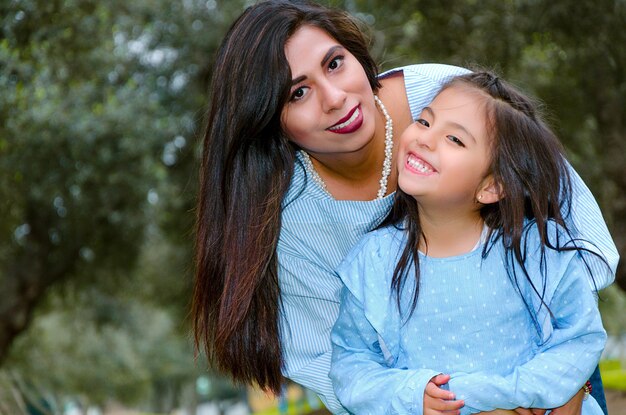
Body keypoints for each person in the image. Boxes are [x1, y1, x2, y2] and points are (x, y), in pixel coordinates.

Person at [191, 0, 619, 413]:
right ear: (270, 120)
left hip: (553, 373)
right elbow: (332, 358)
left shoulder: (447, 95)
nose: (335, 97)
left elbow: (579, 232)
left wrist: (560, 384)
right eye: (298, 93)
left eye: (334, 63)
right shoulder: (294, 220)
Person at [329, 71, 608, 415]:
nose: (425, 139)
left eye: (455, 140)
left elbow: (580, 337)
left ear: (492, 186)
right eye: (424, 121)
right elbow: (351, 365)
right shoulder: (371, 262)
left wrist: (520, 394)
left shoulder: (538, 247)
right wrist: (413, 393)